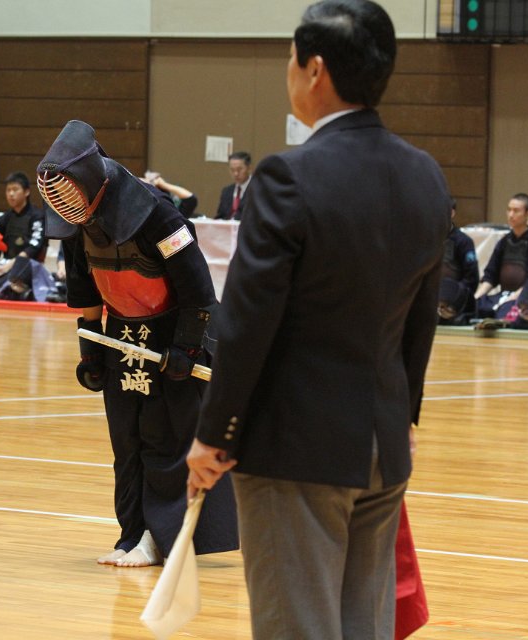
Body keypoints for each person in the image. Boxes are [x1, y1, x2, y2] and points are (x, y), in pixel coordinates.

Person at [185, 2, 451, 637]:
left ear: (315, 70)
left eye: (290, 58)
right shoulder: (425, 174)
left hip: (295, 451)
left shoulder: (288, 176)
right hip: (383, 446)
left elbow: (246, 320)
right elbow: (422, 316)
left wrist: (215, 432)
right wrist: (405, 416)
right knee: (364, 627)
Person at [39, 119, 238, 567]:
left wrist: (186, 349)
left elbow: (197, 287)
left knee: (165, 436)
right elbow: (85, 287)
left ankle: (160, 537)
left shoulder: (156, 212)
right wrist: (91, 349)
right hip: (121, 334)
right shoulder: (75, 219)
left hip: (175, 331)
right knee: (126, 439)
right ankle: (132, 532)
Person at [474, 193, 528, 320]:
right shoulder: (504, 242)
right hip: (504, 295)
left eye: (516, 211)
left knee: (505, 312)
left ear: (527, 214)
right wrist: (476, 298)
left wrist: (510, 298)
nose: (511, 215)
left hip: (526, 299)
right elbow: (490, 276)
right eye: (509, 210)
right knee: (475, 308)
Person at [0, 171, 47, 300]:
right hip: (6, 263)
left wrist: (9, 266)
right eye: (8, 190)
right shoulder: (4, 219)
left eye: (15, 190)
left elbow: (34, 247)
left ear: (26, 192)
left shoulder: (37, 216)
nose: (11, 194)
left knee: (17, 270)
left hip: (27, 265)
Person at [439, 199, 479, 325]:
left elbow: (471, 279)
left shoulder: (464, 242)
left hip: (455, 300)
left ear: (452, 213)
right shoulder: (430, 239)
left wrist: (453, 299)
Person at [215, 151, 251, 220]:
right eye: (232, 170)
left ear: (249, 168)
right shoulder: (227, 191)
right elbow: (220, 216)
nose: (236, 174)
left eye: (239, 169)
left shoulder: (257, 190)